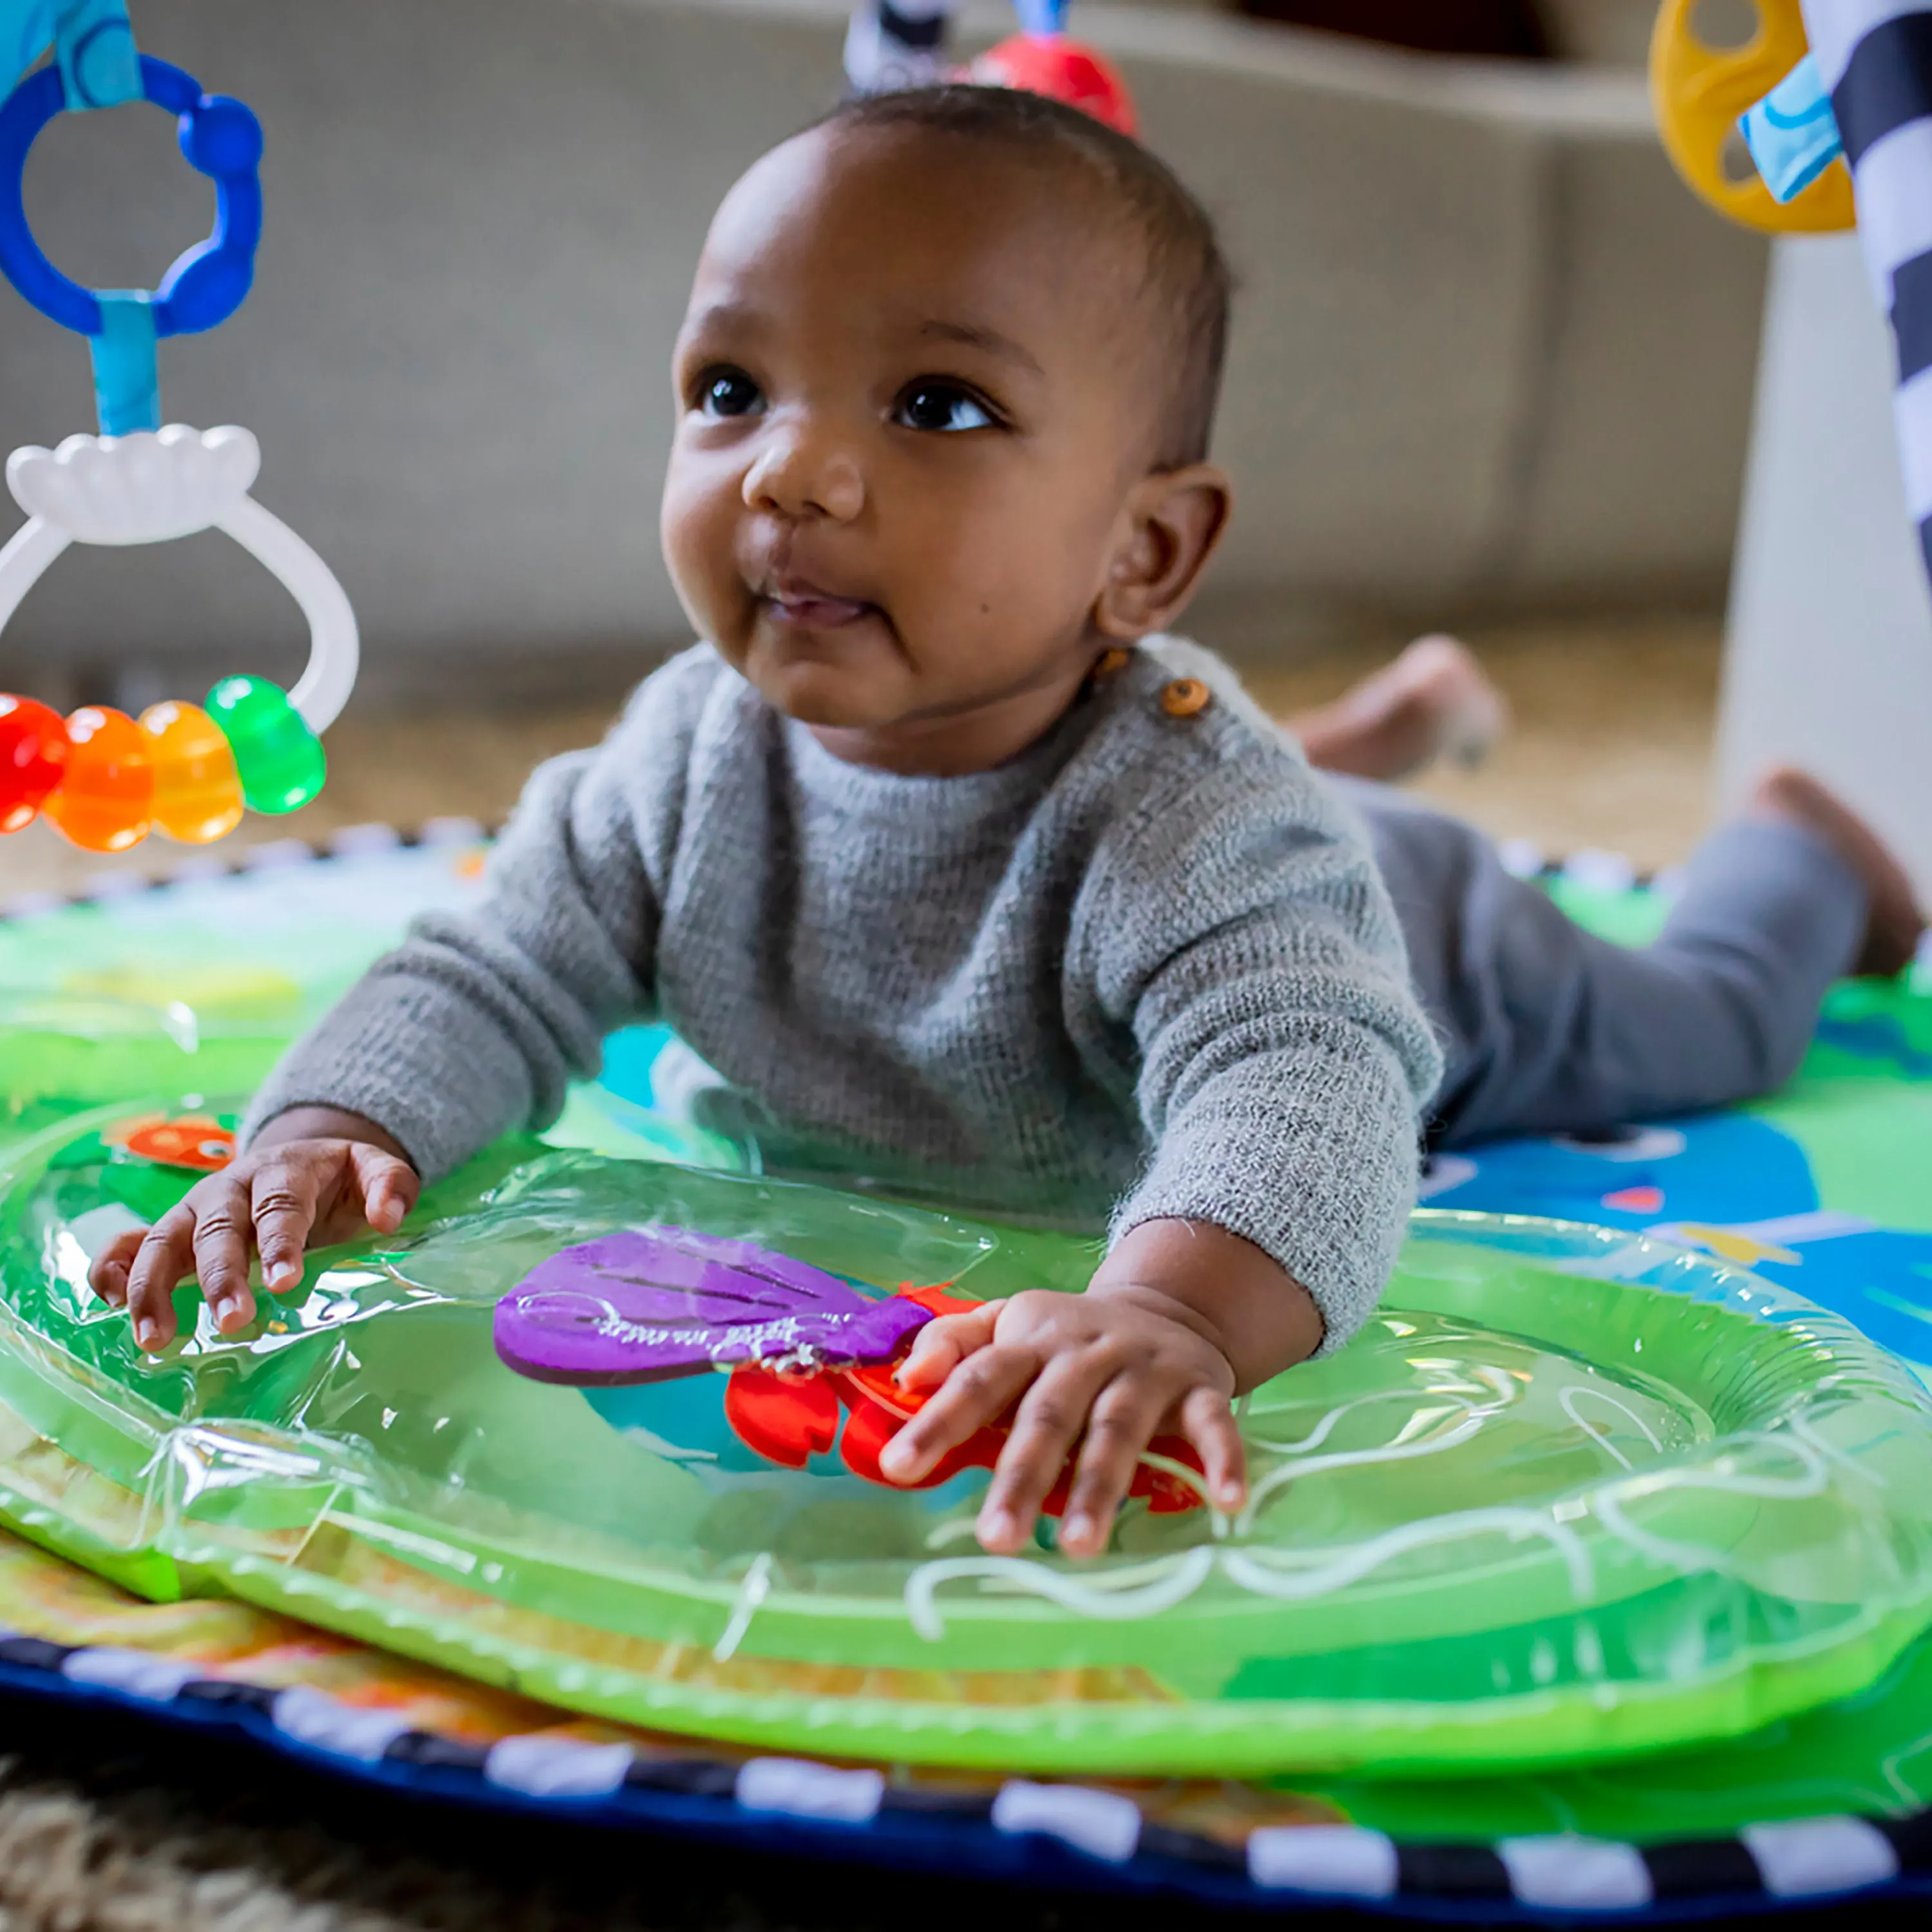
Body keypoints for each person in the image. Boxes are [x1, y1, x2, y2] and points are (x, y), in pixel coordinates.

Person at [90, 85, 1922, 1564]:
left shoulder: (1194, 834)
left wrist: (1182, 1315)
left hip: (1429, 952)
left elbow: (1305, 1075)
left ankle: (1802, 854)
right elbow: (490, 964)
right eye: (731, 389)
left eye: (937, 405)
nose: (790, 468)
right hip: (1219, 809)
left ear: (1144, 551)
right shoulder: (681, 756)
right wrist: (331, 1125)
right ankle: (1376, 735)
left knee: (1710, 1015)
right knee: (1268, 803)